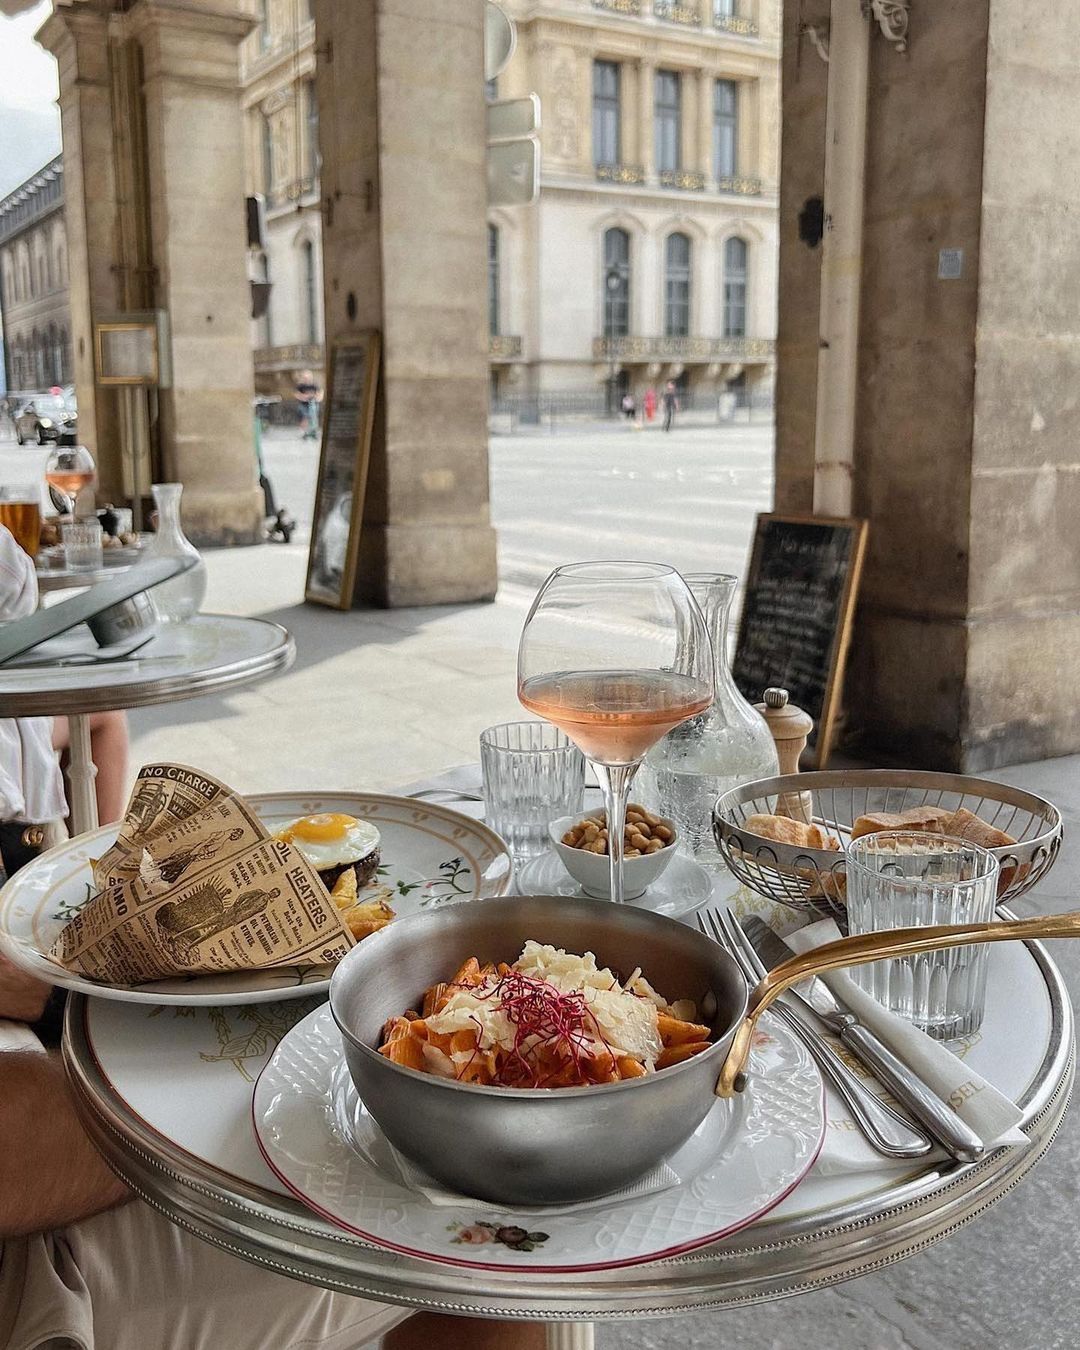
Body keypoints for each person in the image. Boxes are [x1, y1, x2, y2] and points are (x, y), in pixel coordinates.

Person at [295, 368, 320, 441]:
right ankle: (304, 432)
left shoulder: (314, 385)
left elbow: (319, 393)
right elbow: (297, 394)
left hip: (313, 404)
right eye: (305, 377)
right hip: (304, 405)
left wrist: (316, 398)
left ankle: (313, 432)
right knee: (305, 418)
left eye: (308, 377)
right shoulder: (301, 386)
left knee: (314, 418)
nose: (307, 379)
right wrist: (304, 397)